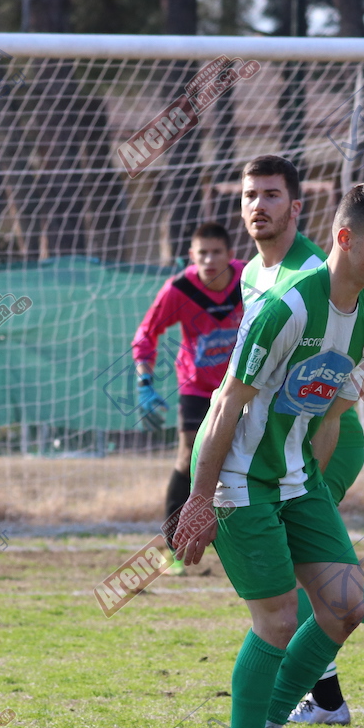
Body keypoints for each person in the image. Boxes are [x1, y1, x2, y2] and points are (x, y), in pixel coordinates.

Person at [177, 183, 364, 728]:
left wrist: (314, 504)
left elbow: (329, 418)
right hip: (238, 477)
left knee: (342, 607)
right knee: (278, 619)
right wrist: (199, 499)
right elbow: (225, 404)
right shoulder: (288, 308)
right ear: (346, 238)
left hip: (297, 479)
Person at [236, 155, 364, 725]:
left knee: (301, 575)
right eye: (251, 194)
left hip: (324, 436)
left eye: (273, 194)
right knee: (297, 580)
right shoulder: (252, 273)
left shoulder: (317, 271)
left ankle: (312, 705)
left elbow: (342, 380)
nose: (259, 205)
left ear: (298, 207)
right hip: (278, 440)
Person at [132, 222, 245, 572]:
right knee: (187, 459)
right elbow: (146, 334)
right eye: (202, 253)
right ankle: (173, 549)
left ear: (230, 255)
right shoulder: (179, 289)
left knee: (250, 460)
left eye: (216, 252)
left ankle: (248, 542)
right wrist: (145, 383)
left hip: (242, 384)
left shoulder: (251, 278)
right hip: (197, 387)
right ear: (191, 256)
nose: (209, 260)